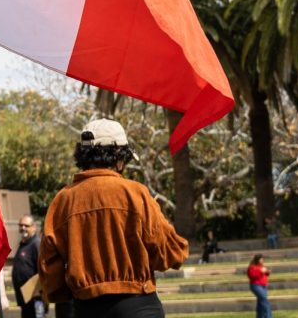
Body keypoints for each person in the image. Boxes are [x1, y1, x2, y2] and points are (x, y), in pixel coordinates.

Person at [38, 118, 188, 318]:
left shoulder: (63, 200)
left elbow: (49, 265)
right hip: (138, 306)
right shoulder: (136, 194)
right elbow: (170, 253)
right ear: (119, 157)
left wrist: (70, 290)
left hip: (87, 308)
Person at [11, 215, 44, 318]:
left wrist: (39, 290)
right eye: (21, 225)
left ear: (33, 227)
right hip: (24, 297)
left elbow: (42, 268)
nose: (23, 228)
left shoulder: (36, 244)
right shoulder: (23, 244)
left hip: (35, 297)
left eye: (26, 225)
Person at [246, 254, 271, 318]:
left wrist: (267, 272)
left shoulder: (262, 266)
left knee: (261, 302)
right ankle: (268, 316)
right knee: (264, 301)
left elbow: (265, 274)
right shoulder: (252, 267)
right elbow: (252, 276)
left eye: (263, 259)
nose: (262, 260)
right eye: (261, 259)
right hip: (256, 286)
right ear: (257, 260)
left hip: (263, 286)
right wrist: (261, 272)